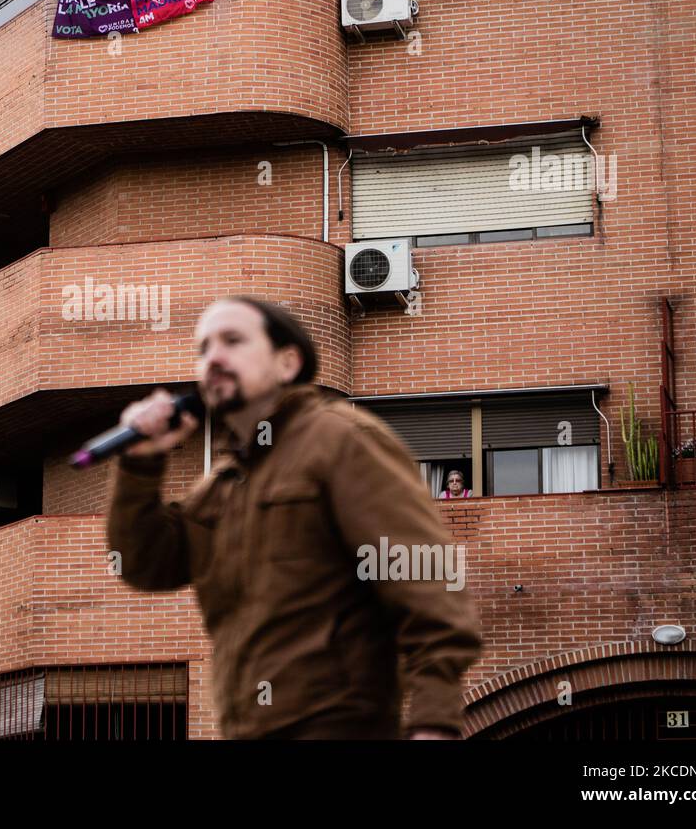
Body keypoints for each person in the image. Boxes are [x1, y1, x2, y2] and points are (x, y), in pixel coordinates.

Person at [107, 297, 483, 739]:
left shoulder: (340, 440)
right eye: (203, 348)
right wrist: (140, 464)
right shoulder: (222, 484)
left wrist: (433, 723)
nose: (214, 358)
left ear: (288, 362)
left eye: (233, 340)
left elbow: (429, 583)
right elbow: (145, 564)